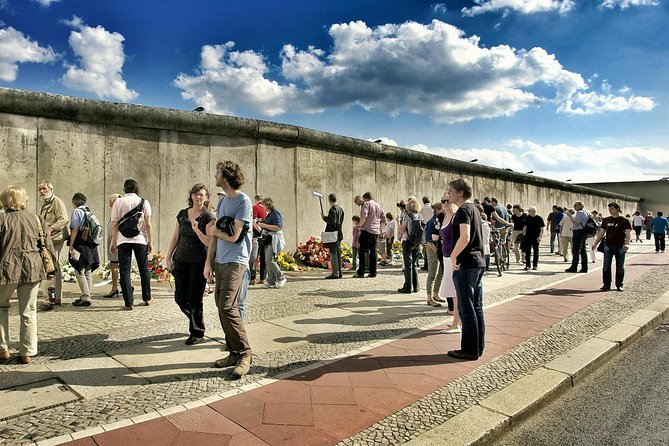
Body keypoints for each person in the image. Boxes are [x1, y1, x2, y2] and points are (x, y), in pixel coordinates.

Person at [205, 160, 253, 377]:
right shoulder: (223, 201)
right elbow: (215, 235)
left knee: (228, 306)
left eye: (217, 172)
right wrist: (209, 262)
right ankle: (233, 352)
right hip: (221, 261)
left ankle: (245, 353)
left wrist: (215, 232)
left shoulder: (244, 201)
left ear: (225, 176)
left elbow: (234, 236)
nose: (214, 175)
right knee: (219, 305)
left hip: (237, 260)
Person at [0, 186, 56, 364]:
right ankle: (27, 352)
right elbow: (47, 244)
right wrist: (52, 269)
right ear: (24, 200)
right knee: (29, 311)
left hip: (6, 269)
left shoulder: (2, 220)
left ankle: (3, 349)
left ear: (5, 200)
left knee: (1, 308)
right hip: (32, 269)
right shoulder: (36, 218)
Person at [165, 184, 215, 345]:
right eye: (196, 194)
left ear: (206, 198)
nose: (199, 197)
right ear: (191, 196)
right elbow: (175, 237)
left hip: (198, 262)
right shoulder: (182, 214)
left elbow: (209, 241)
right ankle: (196, 320)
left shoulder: (208, 217)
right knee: (180, 298)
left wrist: (197, 231)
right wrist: (168, 257)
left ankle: (197, 332)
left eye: (202, 195)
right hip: (180, 260)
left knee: (195, 299)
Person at [447, 179, 485, 360]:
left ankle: (469, 349)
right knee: (476, 306)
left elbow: (465, 237)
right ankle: (477, 346)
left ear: (460, 193)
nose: (448, 194)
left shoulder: (463, 210)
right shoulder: (474, 209)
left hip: (466, 263)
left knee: (466, 308)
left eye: (451, 191)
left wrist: (453, 256)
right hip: (477, 262)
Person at [110, 179, 153, 310]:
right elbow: (148, 224)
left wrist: (113, 241)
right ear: (137, 189)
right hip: (140, 239)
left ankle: (128, 302)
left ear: (124, 190)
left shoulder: (118, 202)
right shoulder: (144, 202)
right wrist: (150, 241)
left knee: (124, 270)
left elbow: (114, 224)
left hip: (123, 240)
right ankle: (147, 298)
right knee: (143, 269)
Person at [37, 181, 69, 310]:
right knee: (54, 267)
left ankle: (49, 299)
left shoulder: (57, 201)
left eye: (44, 188)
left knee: (49, 267)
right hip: (48, 239)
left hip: (55, 238)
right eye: (39, 189)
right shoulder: (45, 204)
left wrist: (50, 228)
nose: (41, 191)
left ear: (51, 188)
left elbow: (64, 219)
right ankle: (55, 298)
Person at [68, 193, 101, 307]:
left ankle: (86, 297)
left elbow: (75, 229)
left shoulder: (77, 211)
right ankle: (86, 295)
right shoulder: (88, 211)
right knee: (87, 270)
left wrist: (71, 244)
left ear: (74, 202)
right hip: (90, 244)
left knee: (79, 270)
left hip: (81, 243)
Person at [594, 202, 631, 292]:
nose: (610, 210)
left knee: (620, 266)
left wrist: (626, 243)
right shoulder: (606, 220)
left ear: (617, 209)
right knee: (606, 266)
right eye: (609, 209)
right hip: (608, 245)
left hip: (620, 245)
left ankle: (619, 285)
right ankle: (606, 284)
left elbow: (628, 233)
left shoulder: (624, 220)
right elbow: (601, 232)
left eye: (612, 208)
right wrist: (595, 243)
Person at [354, 192, 386, 279]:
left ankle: (361, 272)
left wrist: (359, 226)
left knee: (362, 252)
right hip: (375, 232)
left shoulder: (366, 204)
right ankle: (373, 272)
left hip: (367, 231)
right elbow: (384, 220)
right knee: (373, 252)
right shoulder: (378, 205)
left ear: (364, 198)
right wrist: (380, 229)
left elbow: (364, 216)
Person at [439, 196, 459, 327]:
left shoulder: (455, 218)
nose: (446, 203)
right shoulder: (445, 217)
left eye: (448, 200)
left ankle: (456, 322)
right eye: (443, 201)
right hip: (445, 256)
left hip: (453, 257)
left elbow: (461, 238)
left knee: (456, 291)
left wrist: (455, 257)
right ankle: (456, 321)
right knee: (451, 291)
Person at [257, 198, 286, 288]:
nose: (263, 207)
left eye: (264, 205)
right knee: (268, 260)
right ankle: (271, 280)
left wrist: (264, 225)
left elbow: (278, 227)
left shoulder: (275, 213)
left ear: (267, 205)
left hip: (274, 239)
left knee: (269, 260)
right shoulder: (269, 214)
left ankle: (281, 277)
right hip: (269, 239)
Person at [397, 198, 422, 293]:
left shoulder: (407, 216)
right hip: (417, 242)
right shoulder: (420, 215)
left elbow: (402, 229)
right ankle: (416, 286)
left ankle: (407, 287)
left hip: (407, 241)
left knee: (408, 265)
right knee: (415, 264)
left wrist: (398, 222)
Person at [103, 194, 123, 298]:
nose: (109, 204)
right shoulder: (119, 213)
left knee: (114, 265)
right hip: (116, 243)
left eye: (110, 202)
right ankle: (127, 286)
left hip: (115, 244)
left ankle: (115, 287)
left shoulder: (117, 215)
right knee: (121, 265)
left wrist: (114, 243)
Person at [321, 193, 344, 279]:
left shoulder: (333, 209)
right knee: (338, 253)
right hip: (339, 233)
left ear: (330, 200)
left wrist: (324, 218)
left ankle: (335, 273)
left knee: (333, 253)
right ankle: (339, 272)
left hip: (333, 234)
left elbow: (332, 221)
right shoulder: (340, 209)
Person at [424, 203, 443, 307]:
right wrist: (437, 251)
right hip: (433, 249)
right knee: (432, 274)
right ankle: (429, 297)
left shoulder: (440, 220)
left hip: (439, 249)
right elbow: (429, 242)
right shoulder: (432, 222)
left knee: (441, 273)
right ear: (437, 210)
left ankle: (436, 294)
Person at [565, 201, 589, 273]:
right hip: (583, 232)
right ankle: (584, 267)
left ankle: (574, 267)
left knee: (576, 250)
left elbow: (576, 222)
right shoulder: (586, 212)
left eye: (575, 205)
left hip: (579, 232)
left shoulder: (580, 213)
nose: (574, 206)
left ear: (580, 206)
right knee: (582, 250)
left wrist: (570, 216)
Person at [249, 195, 266, 285]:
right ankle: (263, 278)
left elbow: (253, 222)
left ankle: (253, 278)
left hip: (256, 235)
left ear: (256, 200)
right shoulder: (266, 210)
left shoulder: (255, 207)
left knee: (253, 257)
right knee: (263, 257)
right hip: (265, 236)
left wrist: (260, 231)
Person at [522, 206, 545, 271]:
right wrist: (522, 233)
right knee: (527, 252)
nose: (528, 212)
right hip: (528, 237)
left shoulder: (539, 218)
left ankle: (535, 265)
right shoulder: (527, 218)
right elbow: (525, 227)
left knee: (536, 252)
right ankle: (527, 265)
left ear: (533, 211)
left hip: (536, 237)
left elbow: (542, 228)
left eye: (529, 211)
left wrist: (540, 236)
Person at [420, 196, 433, 270]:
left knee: (425, 246)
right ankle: (429, 264)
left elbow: (421, 220)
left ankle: (426, 264)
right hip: (432, 227)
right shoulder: (432, 208)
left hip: (424, 227)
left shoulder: (422, 209)